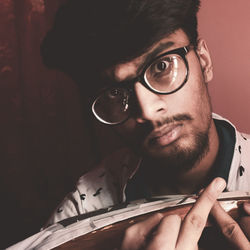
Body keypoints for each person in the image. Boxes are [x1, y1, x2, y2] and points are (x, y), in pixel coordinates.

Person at [40, 0, 250, 248]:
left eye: (161, 66)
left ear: (204, 62)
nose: (148, 112)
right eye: (115, 93)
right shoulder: (80, 213)